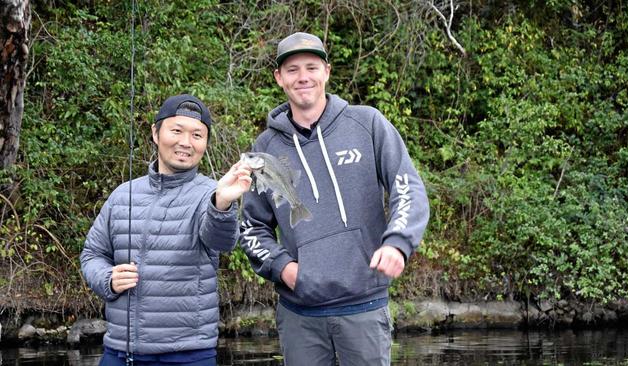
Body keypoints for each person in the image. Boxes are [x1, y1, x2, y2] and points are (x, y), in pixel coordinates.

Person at [240, 32, 430, 365]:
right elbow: (252, 227)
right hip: (300, 315)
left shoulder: (367, 123)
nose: (303, 77)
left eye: (311, 67)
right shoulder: (264, 149)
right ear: (279, 78)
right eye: (293, 69)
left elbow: (407, 186)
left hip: (364, 306)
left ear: (327, 71)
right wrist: (283, 269)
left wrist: (397, 242)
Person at [80, 94, 252, 366]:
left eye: (197, 134)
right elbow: (92, 254)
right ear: (156, 133)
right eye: (176, 131)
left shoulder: (211, 192)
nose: (186, 142)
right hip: (119, 352)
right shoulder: (122, 195)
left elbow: (221, 242)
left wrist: (222, 202)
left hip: (190, 354)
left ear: (205, 143)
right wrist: (107, 279)